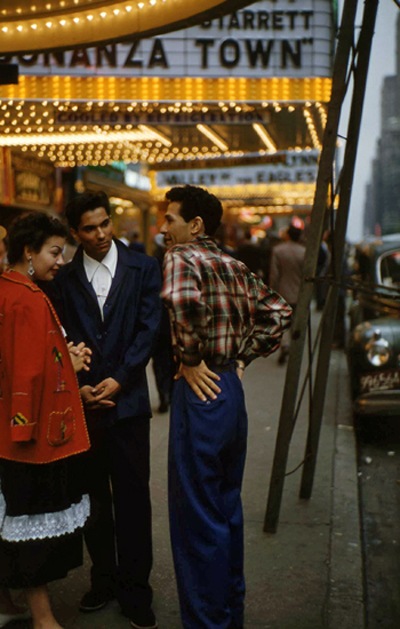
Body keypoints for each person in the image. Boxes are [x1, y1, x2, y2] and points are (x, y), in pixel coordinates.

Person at [160, 185, 292, 629]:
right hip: (230, 392)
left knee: (197, 517)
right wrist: (242, 358)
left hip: (200, 389)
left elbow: (181, 299)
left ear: (195, 225)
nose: (163, 228)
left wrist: (190, 357)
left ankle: (207, 621)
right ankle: (229, 615)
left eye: (170, 219)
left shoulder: (182, 256)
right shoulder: (234, 265)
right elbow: (278, 312)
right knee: (225, 508)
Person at [48, 191, 162, 629]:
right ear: (75, 233)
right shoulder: (64, 278)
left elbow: (149, 328)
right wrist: (79, 386)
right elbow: (60, 335)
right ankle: (103, 580)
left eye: (104, 224)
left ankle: (136, 591)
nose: (99, 234)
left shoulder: (143, 268)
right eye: (89, 229)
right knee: (92, 499)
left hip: (129, 403)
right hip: (85, 405)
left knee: (133, 500)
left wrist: (123, 377)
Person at [0, 212, 91, 629]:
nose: (61, 261)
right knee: (28, 522)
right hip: (29, 437)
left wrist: (62, 359)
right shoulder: (28, 299)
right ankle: (42, 617)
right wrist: (69, 365)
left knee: (10, 518)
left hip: (9, 428)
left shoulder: (10, 290)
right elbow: (26, 374)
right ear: (28, 252)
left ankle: (8, 603)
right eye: (55, 252)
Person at [269, 223, 306, 364]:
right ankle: (294, 346)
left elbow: (274, 274)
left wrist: (272, 291)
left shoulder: (278, 250)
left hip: (282, 291)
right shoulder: (304, 252)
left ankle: (285, 344)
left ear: (288, 235)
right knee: (296, 321)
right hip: (299, 293)